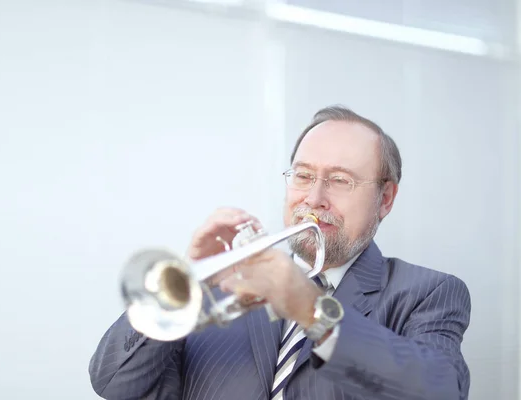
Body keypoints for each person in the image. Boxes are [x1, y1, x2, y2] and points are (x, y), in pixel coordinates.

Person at [88, 105, 471, 400]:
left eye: (340, 180)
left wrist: (311, 310)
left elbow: (441, 388)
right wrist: (188, 279)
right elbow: (114, 383)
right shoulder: (223, 288)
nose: (314, 198)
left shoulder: (426, 293)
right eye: (303, 176)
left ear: (384, 199)